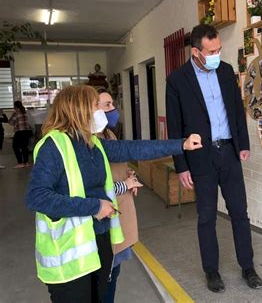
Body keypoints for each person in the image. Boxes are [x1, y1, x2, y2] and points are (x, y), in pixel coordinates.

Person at [26, 85, 202, 303]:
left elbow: (133, 149)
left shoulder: (93, 143)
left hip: (98, 241)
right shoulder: (53, 146)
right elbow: (37, 197)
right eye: (95, 107)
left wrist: (181, 144)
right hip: (68, 255)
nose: (100, 113)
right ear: (78, 110)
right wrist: (95, 207)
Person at [166, 24, 262, 293]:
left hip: (229, 152)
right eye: (211, 51)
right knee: (206, 217)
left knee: (240, 214)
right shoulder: (177, 80)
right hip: (201, 158)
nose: (216, 54)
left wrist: (242, 144)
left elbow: (236, 109)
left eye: (219, 49)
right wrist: (181, 166)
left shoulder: (226, 71)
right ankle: (212, 271)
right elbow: (175, 127)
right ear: (196, 51)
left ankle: (248, 267)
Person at [96, 87, 141, 303]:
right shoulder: (88, 142)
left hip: (120, 221)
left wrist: (129, 175)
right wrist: (124, 185)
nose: (113, 110)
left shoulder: (109, 134)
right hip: (106, 222)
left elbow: (118, 167)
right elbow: (92, 191)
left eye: (112, 104)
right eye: (107, 105)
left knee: (113, 276)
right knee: (106, 280)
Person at [9, 100, 33, 168]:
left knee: (15, 147)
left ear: (15, 106)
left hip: (20, 132)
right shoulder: (25, 112)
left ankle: (20, 163)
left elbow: (10, 122)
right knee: (24, 147)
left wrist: (15, 124)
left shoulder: (16, 113)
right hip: (27, 132)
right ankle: (26, 162)